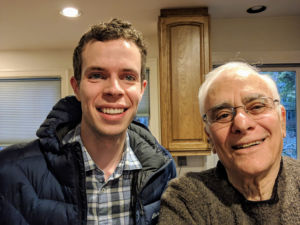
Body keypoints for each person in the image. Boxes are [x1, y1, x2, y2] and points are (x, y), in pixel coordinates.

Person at [0, 18, 176, 225]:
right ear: (76, 87)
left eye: (128, 77)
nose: (114, 90)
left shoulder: (162, 170)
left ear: (142, 88)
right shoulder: (10, 171)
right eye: (97, 75)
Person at [158, 62, 299, 225]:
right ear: (209, 137)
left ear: (282, 121)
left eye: (257, 107)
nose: (241, 124)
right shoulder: (186, 199)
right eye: (223, 115)